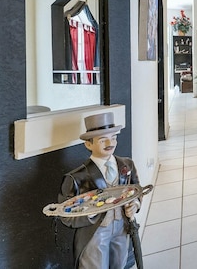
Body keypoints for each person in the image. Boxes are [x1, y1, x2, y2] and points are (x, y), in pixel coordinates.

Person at [59, 112, 141, 269]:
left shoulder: (127, 165)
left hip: (122, 229)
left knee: (120, 263)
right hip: (94, 234)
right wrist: (88, 213)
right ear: (88, 144)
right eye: (103, 140)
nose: (110, 143)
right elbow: (65, 215)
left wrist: (135, 204)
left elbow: (136, 189)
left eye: (114, 137)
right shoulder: (76, 177)